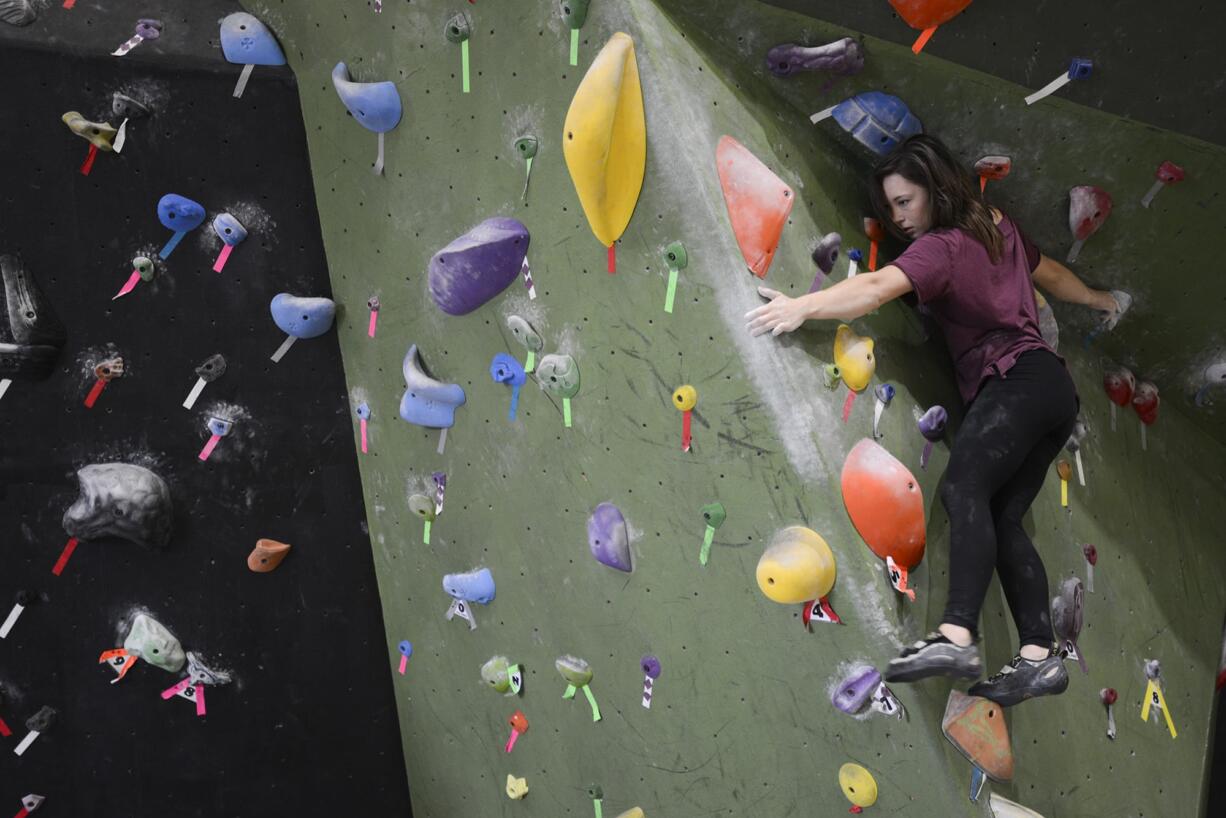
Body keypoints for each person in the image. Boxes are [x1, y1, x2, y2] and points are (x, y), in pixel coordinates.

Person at [745, 134, 1126, 706]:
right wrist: (1100, 300)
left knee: (963, 488)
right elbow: (1051, 276)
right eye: (890, 209)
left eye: (904, 202)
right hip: (1052, 392)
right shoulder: (998, 226)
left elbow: (875, 287)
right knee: (1002, 518)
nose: (898, 220)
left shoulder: (942, 246)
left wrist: (800, 306)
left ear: (935, 187)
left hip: (1014, 379)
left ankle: (956, 634)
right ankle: (1039, 657)